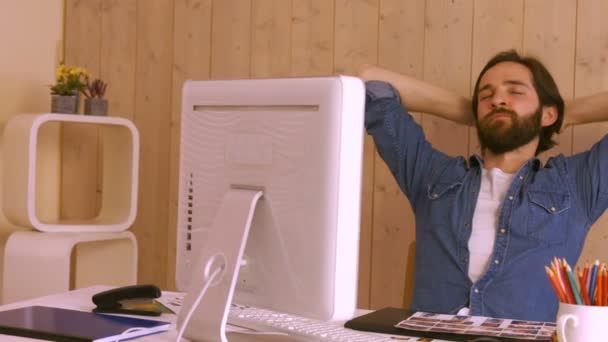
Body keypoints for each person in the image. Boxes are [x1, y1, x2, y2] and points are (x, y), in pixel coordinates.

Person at [358, 50, 608, 322]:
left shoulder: (576, 185)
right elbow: (370, 83)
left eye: (515, 92)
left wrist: (565, 113)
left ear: (548, 114)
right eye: (486, 96)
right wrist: (469, 110)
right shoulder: (430, 174)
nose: (498, 100)